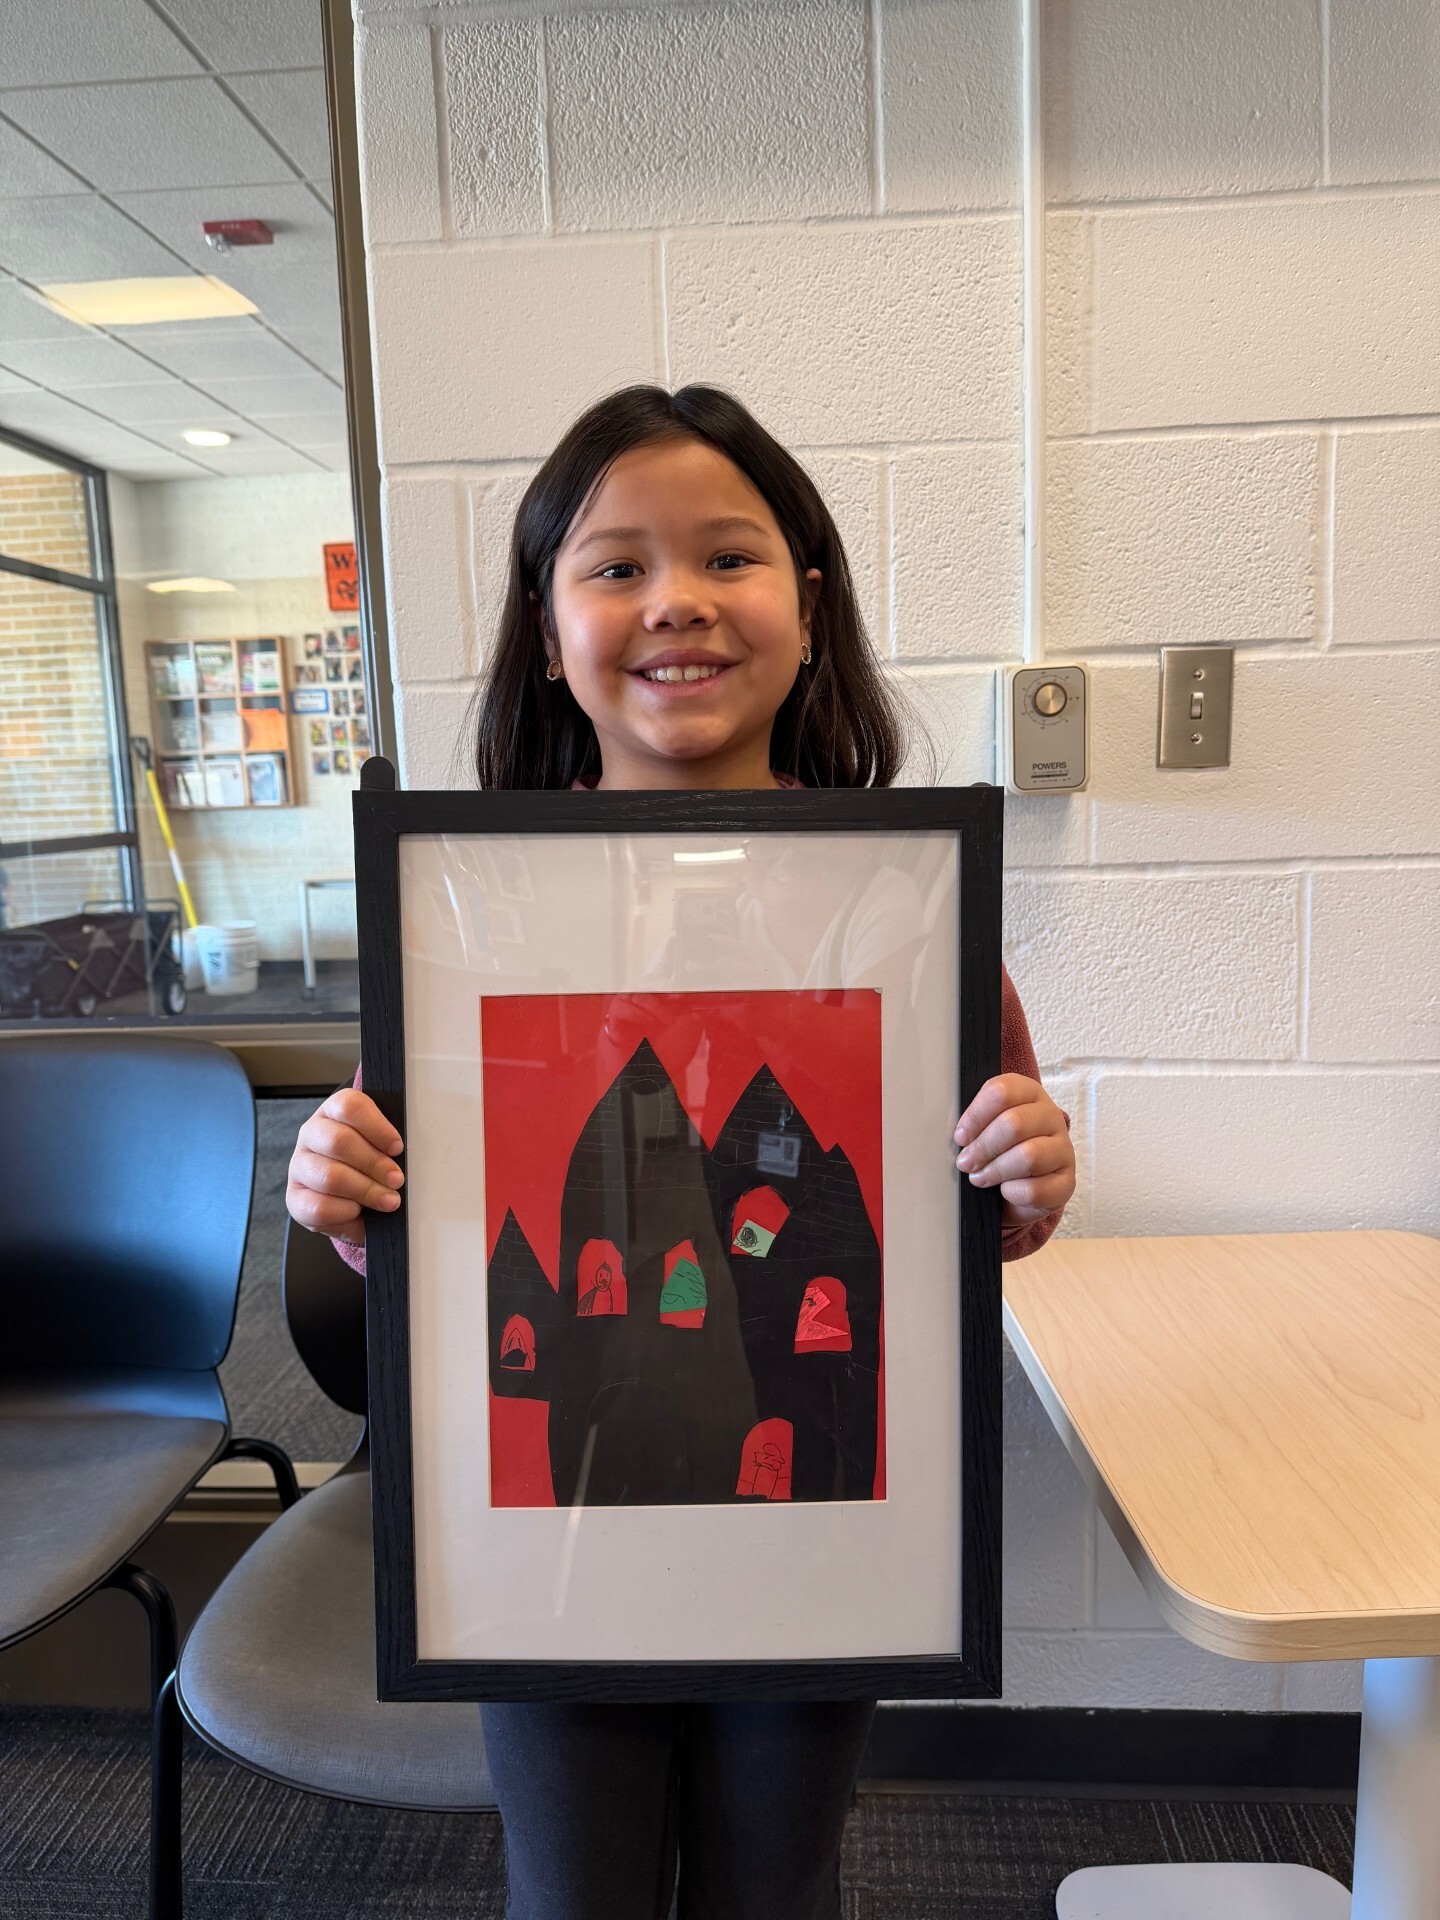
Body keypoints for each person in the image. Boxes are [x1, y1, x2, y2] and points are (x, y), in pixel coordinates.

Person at [285, 383, 1076, 1920]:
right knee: (571, 1894)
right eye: (616, 566)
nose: (677, 606)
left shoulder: (903, 907)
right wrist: (341, 1186)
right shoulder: (474, 911)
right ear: (546, 614)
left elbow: (969, 1215)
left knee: (777, 1887)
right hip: (554, 1547)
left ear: (809, 598)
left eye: (729, 557)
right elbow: (419, 1221)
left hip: (814, 1534)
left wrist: (1028, 1170)